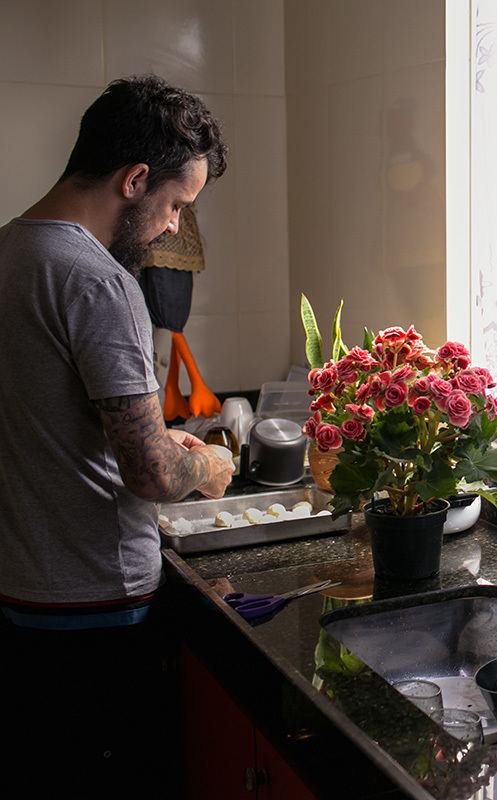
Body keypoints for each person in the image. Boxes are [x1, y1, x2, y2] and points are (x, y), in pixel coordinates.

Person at [0, 75, 234, 796]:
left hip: (20, 598)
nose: (172, 227)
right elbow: (153, 478)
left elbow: (52, 417)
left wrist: (162, 442)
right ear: (135, 179)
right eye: (175, 205)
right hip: (101, 611)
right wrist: (209, 463)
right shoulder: (97, 282)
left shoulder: (10, 251)